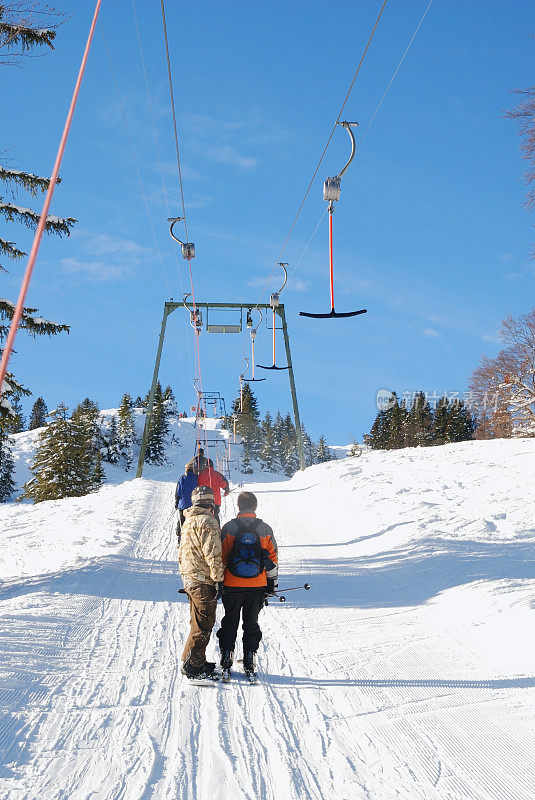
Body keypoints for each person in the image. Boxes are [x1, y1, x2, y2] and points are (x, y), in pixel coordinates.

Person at [217, 491, 278, 679]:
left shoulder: (229, 528)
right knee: (251, 622)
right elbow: (273, 559)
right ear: (255, 506)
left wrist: (219, 583)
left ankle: (226, 657)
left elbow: (220, 557)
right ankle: (249, 658)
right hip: (257, 585)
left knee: (230, 620)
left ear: (238, 506)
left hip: (232, 584)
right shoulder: (265, 529)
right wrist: (271, 585)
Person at [178, 485, 224, 681]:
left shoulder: (188, 520)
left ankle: (191, 659)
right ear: (210, 503)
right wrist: (219, 580)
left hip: (189, 578)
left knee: (196, 622)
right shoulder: (208, 522)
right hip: (202, 579)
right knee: (204, 624)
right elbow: (213, 553)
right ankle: (194, 668)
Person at [175, 464, 198, 537]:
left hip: (183, 504)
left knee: (182, 521)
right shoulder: (196, 478)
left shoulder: (182, 479)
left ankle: (180, 537)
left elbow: (178, 492)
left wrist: (176, 503)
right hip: (193, 504)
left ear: (186, 470)